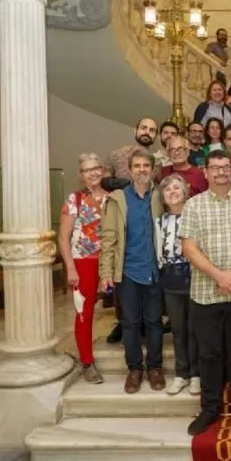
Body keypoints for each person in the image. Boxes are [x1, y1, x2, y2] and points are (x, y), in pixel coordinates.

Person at [179, 150, 231, 436]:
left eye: (225, 167)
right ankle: (210, 408)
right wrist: (219, 276)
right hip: (205, 293)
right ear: (205, 172)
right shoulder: (193, 205)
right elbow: (189, 248)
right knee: (209, 354)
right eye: (214, 167)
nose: (220, 172)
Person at [99, 148, 166, 394]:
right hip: (127, 271)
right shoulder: (117, 199)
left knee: (154, 322)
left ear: (153, 169)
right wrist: (106, 272)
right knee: (129, 323)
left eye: (146, 166)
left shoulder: (160, 197)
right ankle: (135, 369)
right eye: (137, 166)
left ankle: (155, 367)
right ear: (129, 170)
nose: (141, 170)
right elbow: (108, 239)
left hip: (154, 271)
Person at [58, 153, 109, 384]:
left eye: (96, 168)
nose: (92, 173)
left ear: (103, 170)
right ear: (81, 175)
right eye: (87, 170)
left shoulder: (113, 198)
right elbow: (63, 237)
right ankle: (87, 362)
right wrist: (70, 268)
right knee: (84, 312)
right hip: (83, 261)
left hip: (109, 261)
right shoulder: (74, 200)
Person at [156, 174, 200, 396]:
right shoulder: (160, 221)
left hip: (194, 278)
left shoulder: (196, 217)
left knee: (195, 328)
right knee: (178, 329)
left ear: (185, 192)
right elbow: (159, 252)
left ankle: (196, 374)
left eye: (176, 188)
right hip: (170, 280)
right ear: (163, 196)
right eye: (167, 189)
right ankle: (181, 373)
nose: (172, 192)